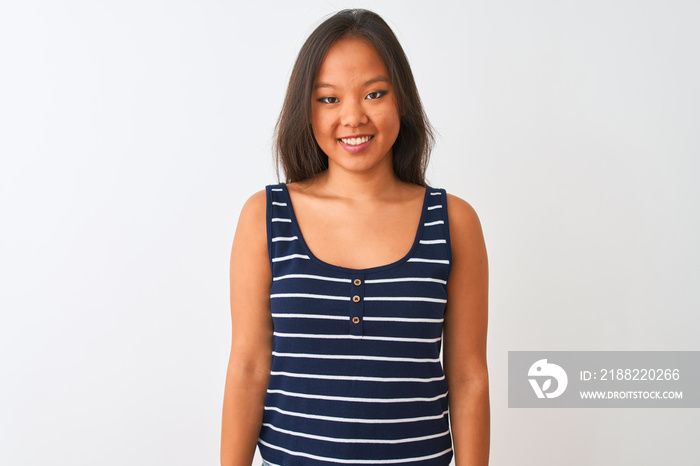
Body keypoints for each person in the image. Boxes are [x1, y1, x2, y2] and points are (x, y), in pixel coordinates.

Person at [221, 9, 489, 466]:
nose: (352, 116)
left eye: (374, 93)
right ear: (305, 108)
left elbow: (467, 378)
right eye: (328, 99)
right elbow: (248, 368)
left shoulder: (454, 222)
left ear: (401, 99)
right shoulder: (265, 216)